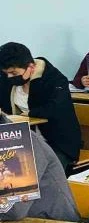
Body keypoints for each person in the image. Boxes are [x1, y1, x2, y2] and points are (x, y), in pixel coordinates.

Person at [0, 43, 81, 172]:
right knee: (9, 171)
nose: (9, 77)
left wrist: (29, 114)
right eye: (6, 73)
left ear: (31, 67)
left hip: (57, 142)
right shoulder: (7, 78)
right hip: (21, 141)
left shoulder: (55, 80)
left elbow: (56, 108)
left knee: (36, 173)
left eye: (13, 73)